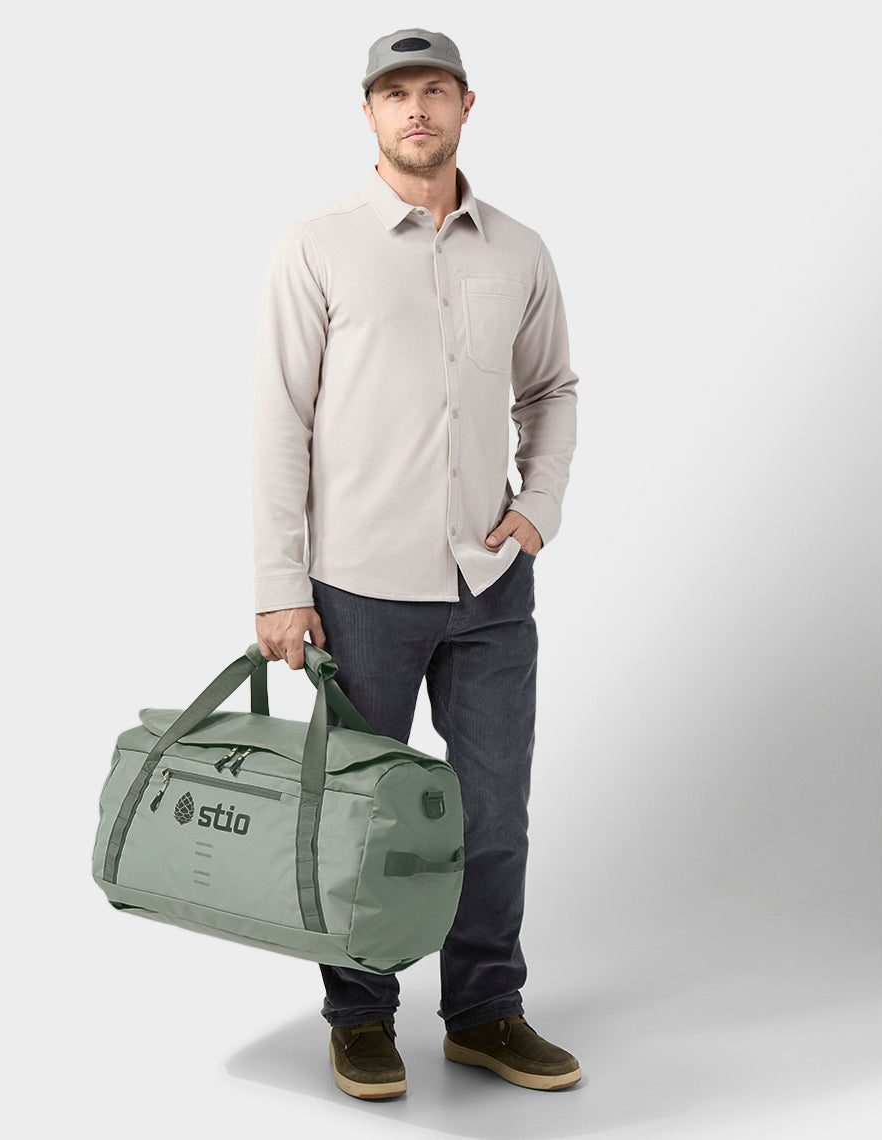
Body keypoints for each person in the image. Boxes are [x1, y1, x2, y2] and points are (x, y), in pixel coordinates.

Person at [251, 27, 581, 1099]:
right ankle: (359, 1017)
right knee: (361, 815)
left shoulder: (519, 250)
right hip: (359, 590)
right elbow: (280, 420)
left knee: (492, 814)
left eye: (433, 89)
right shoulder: (317, 246)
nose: (415, 109)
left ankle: (485, 1012)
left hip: (490, 583)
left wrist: (537, 508)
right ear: (369, 113)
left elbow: (551, 389)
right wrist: (280, 585)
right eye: (394, 93)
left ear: (465, 104)